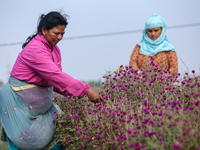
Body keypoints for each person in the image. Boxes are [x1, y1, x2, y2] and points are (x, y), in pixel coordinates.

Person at [0, 11, 104, 150]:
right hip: (18, 104)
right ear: (44, 30)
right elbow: (55, 75)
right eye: (56, 33)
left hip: (37, 108)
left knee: (61, 135)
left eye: (62, 34)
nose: (60, 37)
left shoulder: (54, 50)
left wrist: (75, 93)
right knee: (23, 142)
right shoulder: (35, 49)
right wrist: (85, 89)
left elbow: (54, 80)